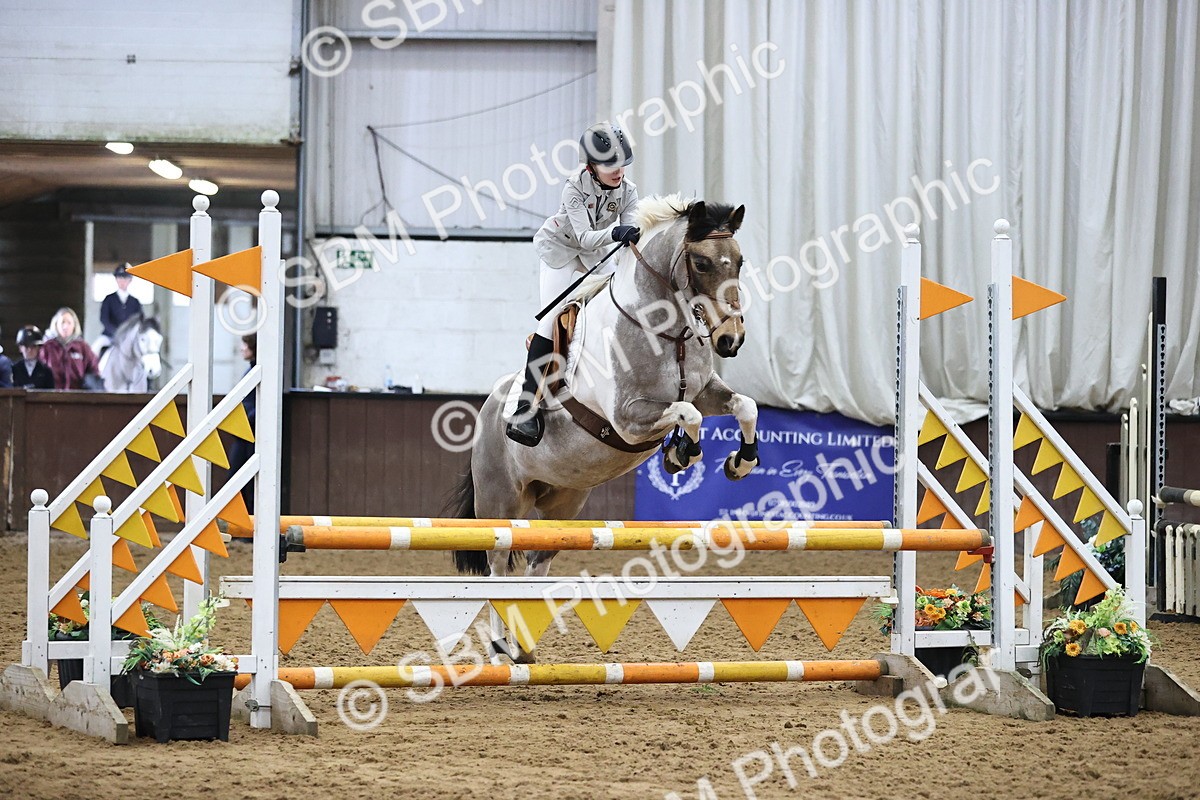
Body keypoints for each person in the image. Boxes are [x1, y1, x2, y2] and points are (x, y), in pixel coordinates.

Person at [506, 121, 642, 447]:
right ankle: (526, 407)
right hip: (562, 252)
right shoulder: (573, 188)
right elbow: (582, 237)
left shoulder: (630, 192)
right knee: (551, 317)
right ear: (591, 166)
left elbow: (632, 234)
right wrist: (617, 234)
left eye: (621, 162)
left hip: (597, 254)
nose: (618, 170)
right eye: (609, 164)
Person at [226, 334, 257, 512]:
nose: (241, 348)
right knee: (238, 477)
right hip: (245, 430)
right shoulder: (251, 370)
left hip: (250, 430)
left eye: (245, 345)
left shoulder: (254, 371)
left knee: (246, 480)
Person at [41, 307, 101, 390]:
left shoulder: (83, 347)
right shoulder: (46, 347)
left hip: (77, 396)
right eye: (62, 322)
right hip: (52, 395)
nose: (65, 326)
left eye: (69, 323)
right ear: (56, 324)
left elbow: (93, 370)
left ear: (74, 325)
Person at [95, 262, 144, 356]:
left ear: (130, 280)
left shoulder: (135, 302)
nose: (122, 281)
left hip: (130, 338)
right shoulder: (108, 299)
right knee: (96, 348)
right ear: (116, 279)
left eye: (125, 278)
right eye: (119, 278)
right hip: (110, 336)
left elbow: (140, 320)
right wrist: (116, 332)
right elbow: (104, 319)